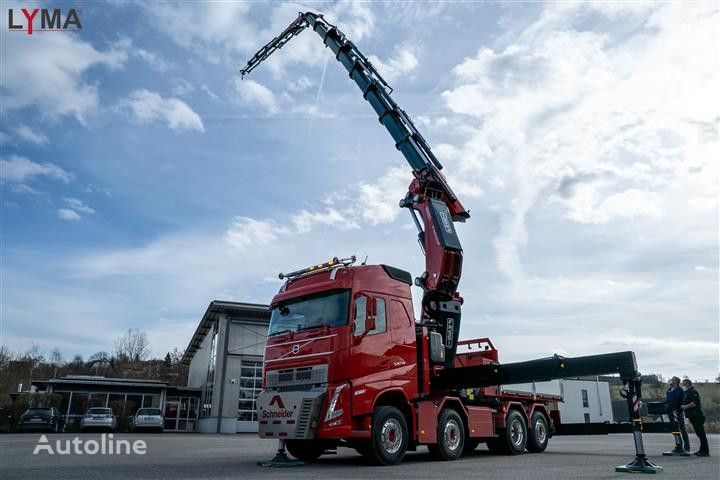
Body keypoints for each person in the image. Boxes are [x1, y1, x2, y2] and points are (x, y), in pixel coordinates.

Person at [680, 379, 709, 456]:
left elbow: (694, 403)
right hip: (692, 415)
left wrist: (685, 407)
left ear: (688, 384)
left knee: (701, 434)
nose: (683, 386)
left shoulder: (693, 392)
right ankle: (702, 449)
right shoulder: (687, 392)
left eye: (684, 384)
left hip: (697, 415)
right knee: (699, 433)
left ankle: (705, 451)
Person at [665, 376, 690, 453]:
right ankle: (678, 446)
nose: (671, 381)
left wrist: (678, 409)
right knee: (675, 429)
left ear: (676, 382)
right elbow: (668, 400)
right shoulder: (669, 390)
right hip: (670, 412)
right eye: (671, 379)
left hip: (678, 412)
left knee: (682, 429)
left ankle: (686, 447)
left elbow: (682, 401)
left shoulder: (680, 391)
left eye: (673, 380)